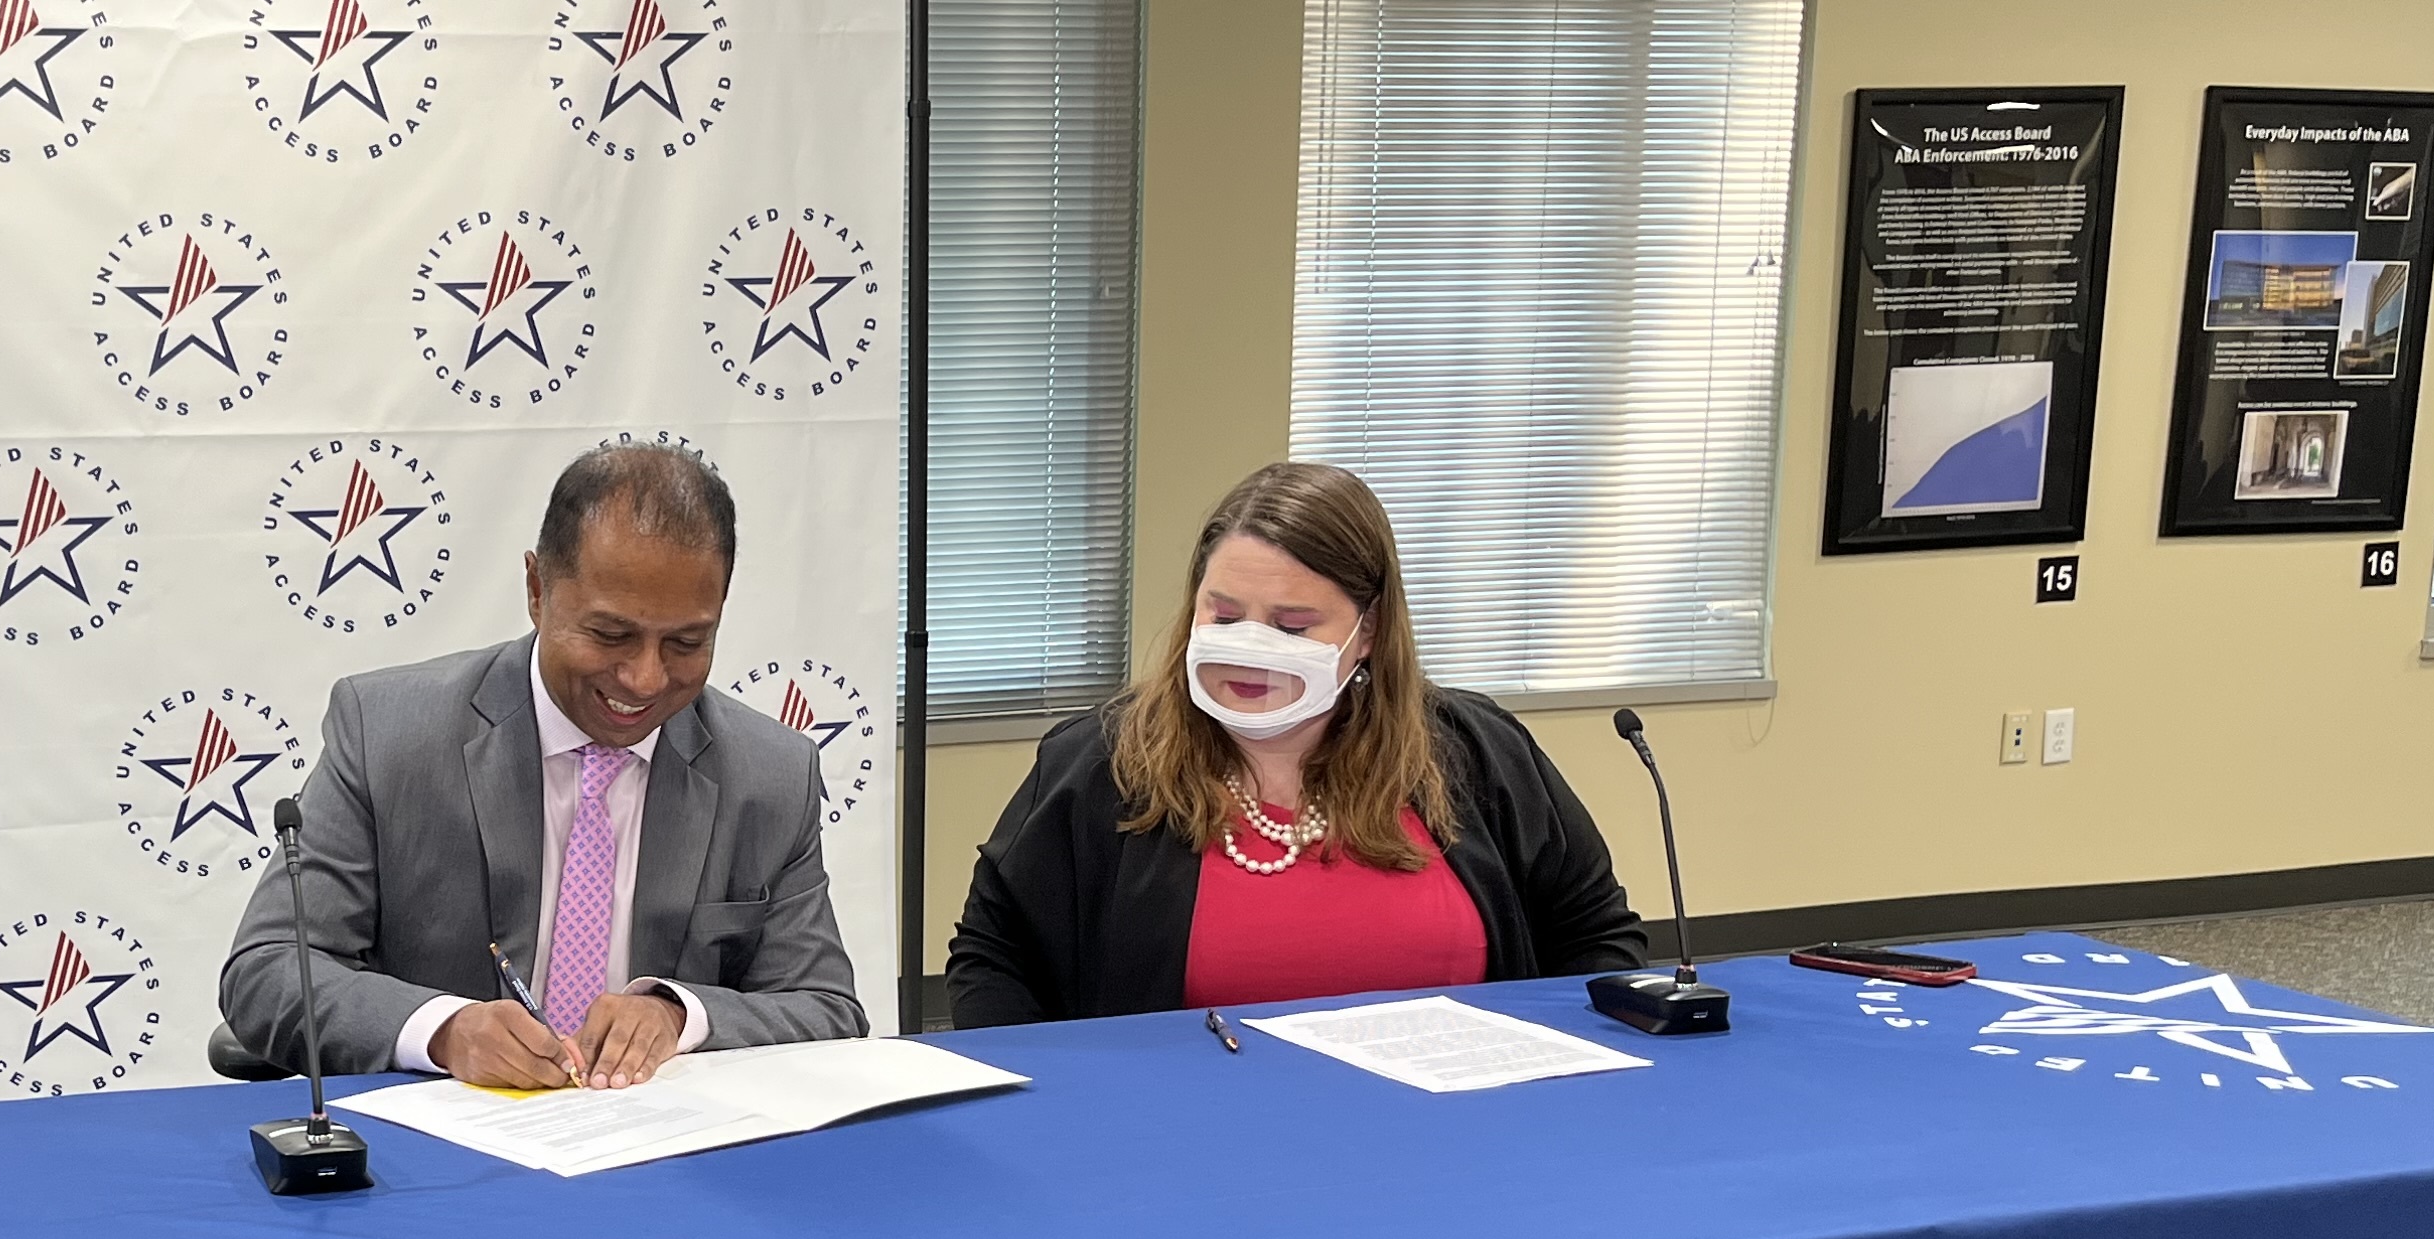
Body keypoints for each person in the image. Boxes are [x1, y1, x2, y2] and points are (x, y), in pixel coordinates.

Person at [219, 443, 867, 1089]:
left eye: (686, 643)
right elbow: (269, 971)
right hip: (439, 1157)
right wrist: (444, 1030)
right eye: (610, 636)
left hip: (662, 1160)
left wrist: (681, 1015)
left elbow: (826, 1007)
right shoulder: (389, 735)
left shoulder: (769, 775)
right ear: (536, 589)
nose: (644, 678)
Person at [948, 460, 1646, 1025]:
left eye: (1291, 626)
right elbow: (995, 955)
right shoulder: (1101, 764)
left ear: (1366, 633)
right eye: (1223, 615)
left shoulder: (1472, 754)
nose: (1250, 650)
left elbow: (1596, 935)